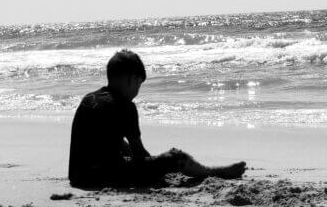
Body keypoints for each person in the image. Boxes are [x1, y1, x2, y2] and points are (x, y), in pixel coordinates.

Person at [68, 50, 247, 189]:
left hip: (78, 177)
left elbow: (111, 141)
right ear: (132, 79)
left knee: (121, 150)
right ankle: (213, 172)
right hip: (106, 178)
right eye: (139, 84)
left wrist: (151, 162)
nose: (137, 91)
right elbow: (138, 153)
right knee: (176, 156)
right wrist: (157, 165)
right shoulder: (125, 106)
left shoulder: (89, 99)